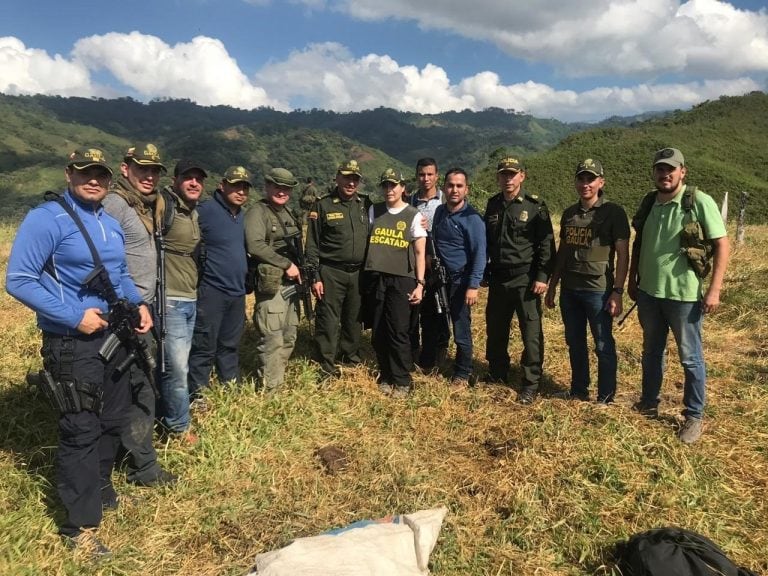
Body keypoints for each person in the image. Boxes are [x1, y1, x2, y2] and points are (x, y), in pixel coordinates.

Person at [6, 147, 152, 557]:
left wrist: (137, 304)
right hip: (72, 342)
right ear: (69, 173)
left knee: (112, 419)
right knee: (81, 428)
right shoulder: (46, 219)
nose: (94, 180)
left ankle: (101, 491)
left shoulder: (108, 221)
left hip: (113, 335)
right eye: (85, 172)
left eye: (100, 174)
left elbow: (119, 273)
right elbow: (19, 279)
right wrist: (74, 316)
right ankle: (79, 528)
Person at [628, 147, 729, 444]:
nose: (665, 174)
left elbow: (722, 244)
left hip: (683, 296)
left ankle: (693, 416)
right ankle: (649, 402)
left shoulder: (697, 202)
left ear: (682, 171)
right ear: (655, 172)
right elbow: (639, 242)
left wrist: (715, 289)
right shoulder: (650, 202)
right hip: (649, 293)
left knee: (690, 358)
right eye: (660, 169)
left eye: (671, 169)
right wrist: (634, 278)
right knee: (651, 352)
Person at [102, 142, 177, 487]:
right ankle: (144, 468)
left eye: (154, 170)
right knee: (141, 388)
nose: (149, 175)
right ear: (125, 168)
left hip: (144, 309)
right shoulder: (114, 204)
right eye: (141, 168)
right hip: (124, 313)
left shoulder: (150, 206)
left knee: (132, 386)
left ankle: (122, 454)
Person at [545, 159, 630, 404]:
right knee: (575, 342)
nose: (585, 184)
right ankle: (579, 390)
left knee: (603, 344)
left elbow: (623, 253)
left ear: (601, 182)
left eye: (590, 179)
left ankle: (605, 397)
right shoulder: (571, 214)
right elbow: (563, 251)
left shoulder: (613, 213)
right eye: (581, 179)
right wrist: (553, 286)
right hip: (570, 290)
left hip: (598, 290)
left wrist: (618, 291)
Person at [483, 157, 555, 404]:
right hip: (498, 279)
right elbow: (488, 242)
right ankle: (497, 372)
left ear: (522, 176)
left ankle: (530, 382)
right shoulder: (492, 205)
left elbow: (546, 244)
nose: (508, 179)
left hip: (525, 280)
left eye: (512, 174)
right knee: (495, 329)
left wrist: (542, 277)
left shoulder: (534, 206)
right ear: (498, 177)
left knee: (531, 333)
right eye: (503, 174)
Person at [363, 169, 426, 397]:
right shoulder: (375, 211)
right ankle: (386, 374)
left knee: (398, 330)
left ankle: (402, 380)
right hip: (377, 277)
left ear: (403, 188)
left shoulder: (413, 215)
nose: (389, 190)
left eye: (394, 185)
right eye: (385, 186)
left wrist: (420, 284)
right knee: (378, 330)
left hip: (402, 279)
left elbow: (420, 252)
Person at [187, 166, 250, 397]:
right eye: (235, 186)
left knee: (230, 344)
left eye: (244, 187)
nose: (241, 191)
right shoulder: (205, 210)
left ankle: (230, 389)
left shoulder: (241, 214)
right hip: (212, 289)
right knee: (204, 346)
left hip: (237, 291)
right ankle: (198, 394)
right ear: (222, 185)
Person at [306, 160, 371, 379]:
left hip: (358, 272)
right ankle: (326, 362)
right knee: (329, 319)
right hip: (331, 271)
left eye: (355, 179)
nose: (351, 182)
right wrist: (314, 276)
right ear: (337, 178)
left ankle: (350, 355)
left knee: (354, 317)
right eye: (347, 177)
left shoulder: (365, 204)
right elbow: (312, 245)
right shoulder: (323, 205)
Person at [157, 160, 205, 437]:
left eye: (199, 179)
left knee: (180, 363)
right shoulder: (165, 204)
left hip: (190, 297)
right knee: (176, 368)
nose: (194, 183)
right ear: (176, 180)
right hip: (170, 298)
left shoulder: (192, 212)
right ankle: (178, 427)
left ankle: (170, 414)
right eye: (188, 178)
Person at [244, 168, 302, 391]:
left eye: (286, 188)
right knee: (272, 337)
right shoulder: (258, 212)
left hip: (291, 283)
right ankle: (271, 389)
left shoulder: (287, 212)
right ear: (267, 186)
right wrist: (286, 264)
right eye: (277, 186)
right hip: (272, 282)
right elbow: (255, 245)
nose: (282, 191)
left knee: (289, 334)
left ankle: (278, 378)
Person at [431, 168, 486, 386]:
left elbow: (480, 254)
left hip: (460, 281)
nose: (454, 190)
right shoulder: (440, 212)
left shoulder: (472, 219)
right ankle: (438, 359)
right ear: (444, 187)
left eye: (459, 186)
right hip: (439, 279)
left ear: (467, 189)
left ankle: (463, 372)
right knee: (438, 322)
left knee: (461, 329)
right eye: (450, 185)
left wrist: (473, 285)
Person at [408, 157, 449, 371]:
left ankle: (436, 354)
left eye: (430, 174)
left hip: (438, 266)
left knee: (437, 313)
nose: (426, 178)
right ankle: (413, 353)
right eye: (422, 174)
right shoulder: (410, 200)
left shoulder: (444, 199)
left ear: (436, 176)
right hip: (414, 265)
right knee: (414, 312)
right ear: (417, 176)